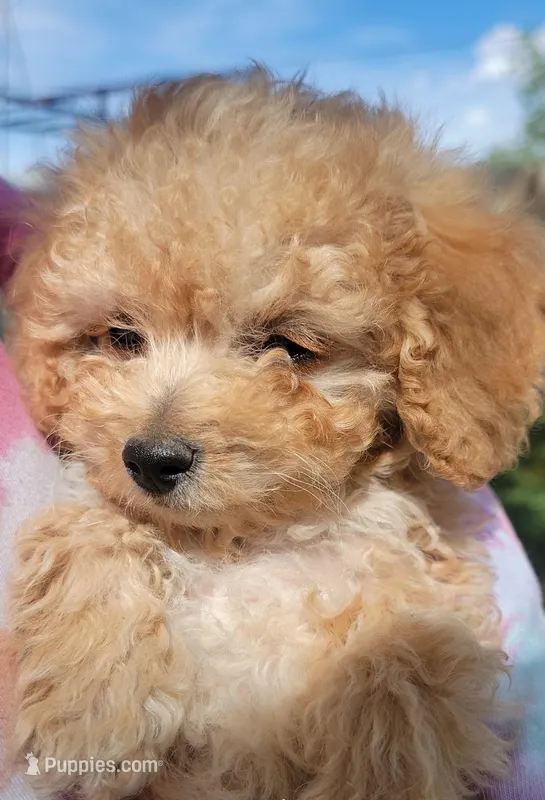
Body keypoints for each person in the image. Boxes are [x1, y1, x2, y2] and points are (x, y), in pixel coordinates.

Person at [0, 177, 544, 800]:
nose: (157, 433)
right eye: (124, 339)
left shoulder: (413, 570)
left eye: (288, 346)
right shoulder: (95, 531)